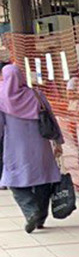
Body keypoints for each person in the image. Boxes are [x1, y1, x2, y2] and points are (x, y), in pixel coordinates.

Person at [0, 63, 63, 233]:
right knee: (43, 180)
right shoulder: (35, 94)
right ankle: (40, 218)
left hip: (15, 148)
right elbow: (50, 118)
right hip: (40, 146)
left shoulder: (1, 96)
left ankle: (31, 211)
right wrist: (58, 141)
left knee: (14, 181)